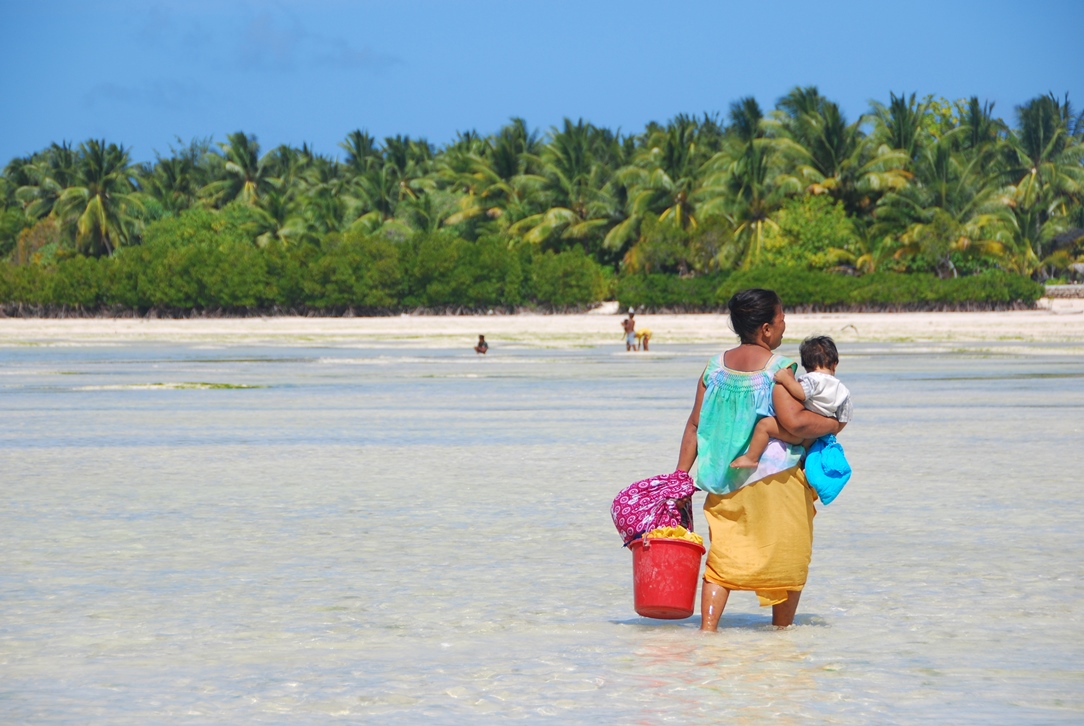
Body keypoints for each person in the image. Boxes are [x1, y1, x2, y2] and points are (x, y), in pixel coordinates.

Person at [676, 288, 841, 630]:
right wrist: (836, 423)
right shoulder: (778, 369)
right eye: (781, 319)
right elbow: (794, 423)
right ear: (765, 329)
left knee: (723, 559)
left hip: (723, 479)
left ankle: (707, 633)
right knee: (788, 556)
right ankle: (781, 633)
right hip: (774, 478)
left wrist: (679, 477)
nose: (784, 326)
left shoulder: (714, 368)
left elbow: (694, 424)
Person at [730, 335, 851, 469]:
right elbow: (844, 417)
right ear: (835, 363)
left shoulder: (812, 379)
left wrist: (785, 379)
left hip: (799, 429)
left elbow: (801, 393)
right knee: (804, 456)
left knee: (764, 425)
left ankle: (751, 458)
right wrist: (831, 431)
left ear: (806, 365)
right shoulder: (843, 391)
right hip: (815, 433)